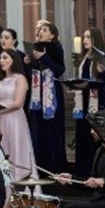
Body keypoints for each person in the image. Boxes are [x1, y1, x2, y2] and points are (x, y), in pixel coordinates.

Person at [0, 49, 38, 182]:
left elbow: (18, 103)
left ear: (14, 60)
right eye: (0, 58)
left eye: (5, 58)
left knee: (15, 149)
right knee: (2, 151)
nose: (1, 61)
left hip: (14, 119)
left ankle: (19, 182)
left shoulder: (20, 78)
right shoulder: (0, 81)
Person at [73, 27, 105, 177]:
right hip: (82, 102)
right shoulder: (83, 58)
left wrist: (104, 73)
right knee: (82, 137)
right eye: (84, 37)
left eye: (88, 37)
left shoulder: (102, 57)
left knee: (94, 137)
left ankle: (95, 172)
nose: (85, 40)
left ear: (96, 39)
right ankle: (81, 171)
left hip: (96, 101)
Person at [29, 21, 67, 173]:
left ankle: (56, 168)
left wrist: (45, 57)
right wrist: (29, 61)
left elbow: (59, 70)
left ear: (52, 35)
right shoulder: (35, 48)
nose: (40, 32)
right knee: (39, 132)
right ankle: (41, 167)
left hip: (52, 95)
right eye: (39, 30)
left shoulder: (56, 48)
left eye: (44, 30)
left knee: (54, 132)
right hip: (38, 95)